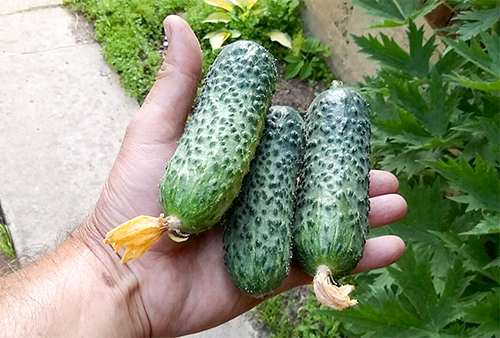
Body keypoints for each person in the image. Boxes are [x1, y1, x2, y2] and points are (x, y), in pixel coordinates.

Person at [0, 16, 407, 337]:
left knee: (279, 132)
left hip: (188, 226)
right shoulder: (188, 196)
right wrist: (104, 270)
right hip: (186, 217)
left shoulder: (189, 193)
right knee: (281, 131)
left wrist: (104, 269)